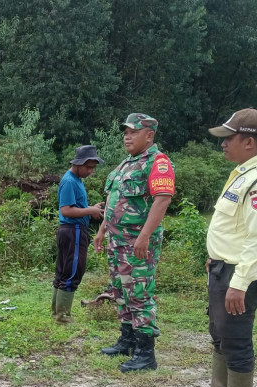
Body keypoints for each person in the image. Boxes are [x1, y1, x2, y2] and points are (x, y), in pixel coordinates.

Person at [189, 108, 257, 387]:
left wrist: (239, 283)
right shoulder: (242, 172)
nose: (223, 144)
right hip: (222, 266)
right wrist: (215, 255)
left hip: (240, 273)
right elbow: (235, 228)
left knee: (236, 338)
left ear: (249, 142)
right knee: (219, 331)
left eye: (229, 139)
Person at [93, 113, 174, 371]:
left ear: (149, 135)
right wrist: (102, 229)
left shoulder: (157, 163)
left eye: (133, 131)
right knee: (120, 289)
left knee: (138, 292)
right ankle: (127, 340)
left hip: (137, 242)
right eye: (125, 131)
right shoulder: (127, 163)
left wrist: (145, 236)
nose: (127, 136)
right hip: (117, 241)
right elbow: (114, 200)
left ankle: (145, 353)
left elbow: (162, 199)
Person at [51, 145, 105, 324]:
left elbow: (77, 207)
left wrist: (91, 208)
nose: (91, 171)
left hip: (73, 231)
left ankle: (57, 313)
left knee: (64, 271)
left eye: (93, 168)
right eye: (88, 167)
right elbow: (66, 210)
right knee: (73, 272)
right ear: (78, 164)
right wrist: (90, 211)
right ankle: (62, 317)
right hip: (72, 230)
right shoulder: (70, 181)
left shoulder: (76, 180)